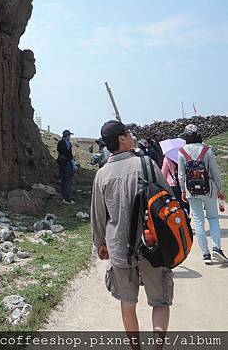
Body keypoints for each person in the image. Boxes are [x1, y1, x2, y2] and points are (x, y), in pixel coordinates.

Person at [91, 120, 174, 343]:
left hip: (119, 249)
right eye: (128, 132)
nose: (131, 136)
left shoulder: (102, 174)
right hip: (152, 245)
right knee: (160, 301)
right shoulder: (147, 165)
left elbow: (98, 214)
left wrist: (100, 243)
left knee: (127, 303)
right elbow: (168, 201)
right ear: (121, 139)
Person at [178, 124, 228, 265]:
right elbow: (215, 171)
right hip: (209, 189)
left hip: (191, 190)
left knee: (198, 220)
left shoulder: (182, 151)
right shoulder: (207, 150)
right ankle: (216, 248)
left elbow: (181, 174)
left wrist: (182, 190)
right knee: (213, 218)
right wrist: (219, 188)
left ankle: (205, 254)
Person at [56, 129, 75, 205]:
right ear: (67, 136)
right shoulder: (68, 144)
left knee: (63, 180)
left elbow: (58, 150)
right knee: (68, 181)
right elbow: (69, 155)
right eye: (69, 135)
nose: (69, 137)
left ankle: (63, 196)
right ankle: (67, 198)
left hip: (61, 163)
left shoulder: (60, 143)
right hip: (67, 164)